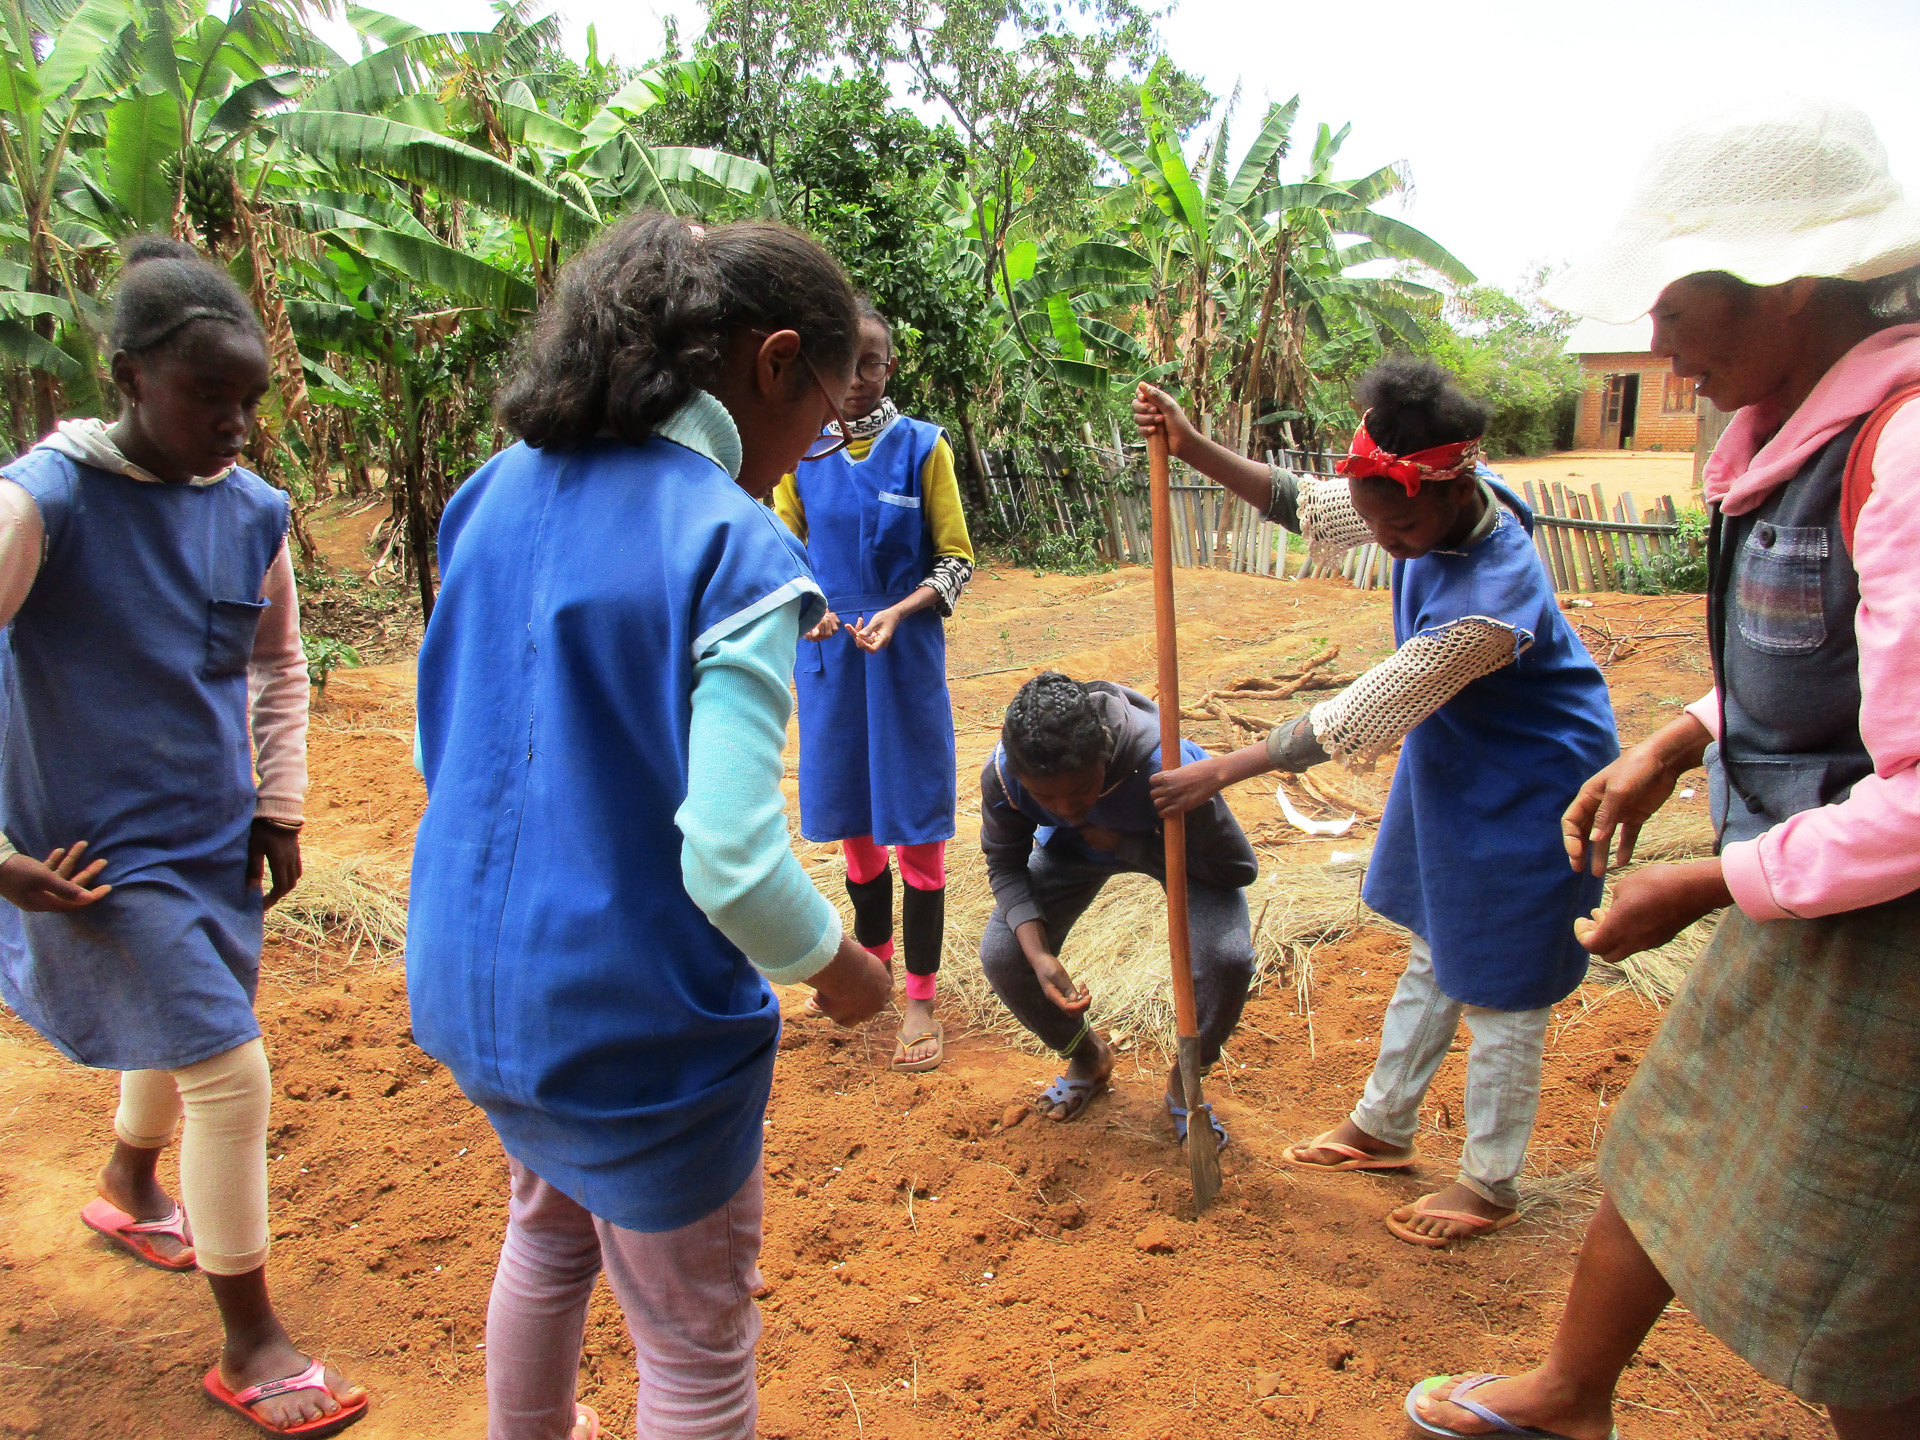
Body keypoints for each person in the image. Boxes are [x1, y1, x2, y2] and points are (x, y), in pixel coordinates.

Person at [1405, 98, 1920, 1440]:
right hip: (1809, 868)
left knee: (1878, 1254)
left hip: (1882, 906)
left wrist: (1707, 884)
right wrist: (1678, 738)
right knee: (1676, 1118)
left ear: (1793, 285)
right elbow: (1819, 654)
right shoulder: (1795, 440)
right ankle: (1575, 1394)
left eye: (1678, 303)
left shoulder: (1905, 452)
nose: (1657, 344)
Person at [406, 214, 892, 1440]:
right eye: (827, 413)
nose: (814, 447)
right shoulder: (734, 546)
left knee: (549, 1234)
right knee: (694, 1347)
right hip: (638, 1039)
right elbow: (733, 859)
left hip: (479, 989)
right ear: (773, 362)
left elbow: (447, 751)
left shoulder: (489, 492)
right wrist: (842, 970)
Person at [0, 237, 364, 1435]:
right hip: (91, 857)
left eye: (249, 399)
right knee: (230, 1066)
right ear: (129, 377)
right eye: (207, 395)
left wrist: (280, 803)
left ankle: (126, 1185)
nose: (235, 423)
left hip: (212, 837)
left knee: (193, 1015)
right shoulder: (42, 500)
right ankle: (251, 1340)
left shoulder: (253, 512)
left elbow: (274, 665)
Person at [1136, 358, 1618, 1247]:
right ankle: (1384, 1127)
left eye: (1397, 526)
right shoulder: (1406, 496)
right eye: (1373, 519)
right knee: (1438, 945)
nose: (1382, 540)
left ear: (1450, 490)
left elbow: (1371, 707)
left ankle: (1490, 1181)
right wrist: (1193, 444)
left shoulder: (1489, 601)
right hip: (1465, 763)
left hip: (1538, 784)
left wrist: (1222, 770)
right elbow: (1305, 505)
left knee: (1505, 986)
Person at [772, 298, 974, 1072]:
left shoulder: (925, 447)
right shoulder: (802, 455)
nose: (857, 380)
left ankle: (920, 996)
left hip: (904, 658)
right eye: (843, 364)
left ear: (891, 366)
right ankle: (878, 973)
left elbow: (954, 561)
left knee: (917, 828)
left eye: (872, 363)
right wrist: (808, 607)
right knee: (857, 834)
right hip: (830, 665)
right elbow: (783, 550)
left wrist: (900, 610)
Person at [978, 671, 1259, 1143]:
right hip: (1074, 852)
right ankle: (1088, 1055)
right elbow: (1005, 865)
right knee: (1005, 956)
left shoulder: (1163, 766)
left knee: (1228, 958)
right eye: (1047, 798)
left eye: (1082, 792)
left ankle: (1185, 1079)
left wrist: (1126, 844)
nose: (1067, 808)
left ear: (1103, 760)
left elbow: (1234, 868)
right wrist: (1040, 957)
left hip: (1177, 851)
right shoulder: (1007, 776)